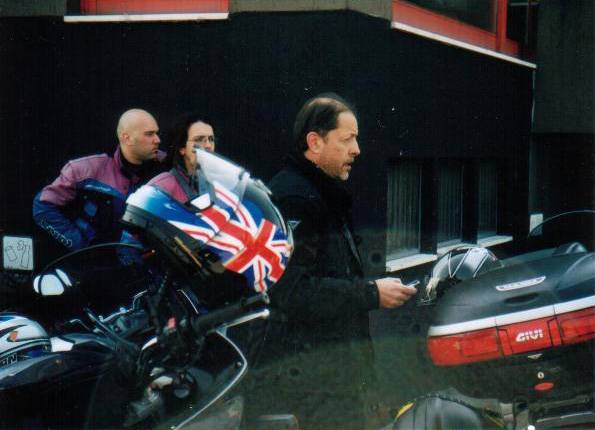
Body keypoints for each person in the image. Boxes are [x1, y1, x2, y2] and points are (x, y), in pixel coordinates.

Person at [248, 94, 417, 430]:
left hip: (327, 375)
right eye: (347, 139)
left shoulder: (320, 192)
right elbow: (291, 291)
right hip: (310, 384)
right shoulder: (294, 198)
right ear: (315, 142)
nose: (357, 150)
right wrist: (371, 293)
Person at [33, 108, 165, 251]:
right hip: (98, 259)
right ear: (126, 138)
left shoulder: (168, 166)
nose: (158, 140)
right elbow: (42, 207)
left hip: (147, 259)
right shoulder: (85, 169)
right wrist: (80, 246)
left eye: (157, 133)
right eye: (149, 134)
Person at [146, 113, 216, 203]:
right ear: (182, 148)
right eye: (199, 139)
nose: (208, 145)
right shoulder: (163, 185)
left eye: (211, 139)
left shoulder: (218, 184)